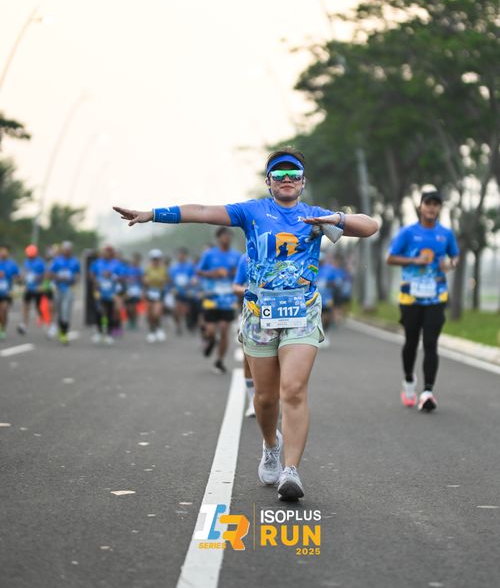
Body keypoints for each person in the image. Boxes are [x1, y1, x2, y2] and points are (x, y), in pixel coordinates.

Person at [113, 148, 378, 501]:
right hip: (259, 312)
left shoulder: (316, 216)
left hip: (301, 312)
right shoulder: (251, 212)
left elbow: (370, 226)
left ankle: (291, 470)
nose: (286, 180)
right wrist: (153, 214)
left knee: (293, 390)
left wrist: (337, 219)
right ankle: (271, 445)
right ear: (268, 182)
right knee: (265, 399)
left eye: (293, 174)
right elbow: (202, 212)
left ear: (303, 182)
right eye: (279, 175)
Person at [387, 190, 459, 412]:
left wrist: (450, 264)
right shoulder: (408, 233)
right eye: (428, 203)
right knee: (411, 342)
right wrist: (414, 260)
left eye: (436, 204)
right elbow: (390, 258)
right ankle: (409, 380)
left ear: (439, 208)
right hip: (410, 297)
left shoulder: (445, 234)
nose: (432, 208)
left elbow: (455, 255)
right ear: (421, 207)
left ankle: (427, 392)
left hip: (436, 296)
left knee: (430, 343)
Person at [197, 227, 241, 374]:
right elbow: (199, 271)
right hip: (211, 297)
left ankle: (219, 360)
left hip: (228, 299)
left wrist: (235, 273)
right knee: (210, 331)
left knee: (224, 329)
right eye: (224, 236)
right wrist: (213, 273)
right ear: (218, 238)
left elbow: (243, 274)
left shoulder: (236, 256)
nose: (227, 238)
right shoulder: (209, 254)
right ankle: (211, 340)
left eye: (229, 236)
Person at [233, 252, 256, 416]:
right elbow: (235, 286)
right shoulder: (246, 257)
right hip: (251, 312)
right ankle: (253, 400)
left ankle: (275, 398)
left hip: (281, 315)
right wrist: (250, 290)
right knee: (248, 358)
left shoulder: (286, 250)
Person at [49, 241, 81, 344]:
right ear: (63, 250)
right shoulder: (57, 260)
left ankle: (64, 333)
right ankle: (61, 329)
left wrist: (74, 280)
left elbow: (78, 274)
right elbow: (51, 273)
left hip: (69, 289)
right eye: (65, 249)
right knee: (59, 311)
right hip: (58, 289)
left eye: (68, 249)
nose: (67, 251)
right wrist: (58, 278)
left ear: (71, 250)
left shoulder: (75, 261)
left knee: (65, 311)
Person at [18, 244, 46, 335]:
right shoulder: (26, 262)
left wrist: (39, 279)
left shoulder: (40, 262)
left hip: (38, 288)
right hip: (28, 288)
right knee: (25, 306)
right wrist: (22, 277)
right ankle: (24, 324)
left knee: (38, 306)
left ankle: (41, 317)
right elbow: (24, 272)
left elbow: (44, 274)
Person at [169, 247, 196, 335]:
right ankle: (178, 326)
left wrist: (191, 285)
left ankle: (189, 324)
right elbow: (170, 280)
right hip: (177, 292)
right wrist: (171, 289)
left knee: (187, 311)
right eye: (179, 254)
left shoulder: (190, 266)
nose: (181, 256)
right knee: (176, 310)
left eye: (182, 255)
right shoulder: (173, 267)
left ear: (185, 256)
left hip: (187, 292)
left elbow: (194, 278)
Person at [144, 248, 168, 342]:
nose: (155, 261)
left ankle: (159, 329)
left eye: (157, 259)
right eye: (154, 259)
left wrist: (161, 280)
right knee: (150, 314)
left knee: (156, 313)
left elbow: (166, 280)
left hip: (159, 293)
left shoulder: (163, 268)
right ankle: (151, 331)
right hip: (150, 292)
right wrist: (147, 281)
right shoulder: (148, 268)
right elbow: (145, 280)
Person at [0, 244, 20, 340]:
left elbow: (18, 276)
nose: (3, 253)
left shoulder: (12, 264)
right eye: (2, 251)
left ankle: (3, 329)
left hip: (7, 292)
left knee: (4, 310)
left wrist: (16, 278)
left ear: (8, 253)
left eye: (5, 251)